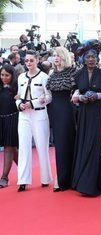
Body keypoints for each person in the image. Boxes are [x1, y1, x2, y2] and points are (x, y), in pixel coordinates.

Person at [71, 39, 101, 196]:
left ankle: (99, 184)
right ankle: (82, 182)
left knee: (97, 145)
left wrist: (99, 95)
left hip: (100, 115)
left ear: (97, 58)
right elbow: (74, 92)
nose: (90, 59)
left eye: (93, 57)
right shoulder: (77, 75)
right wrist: (78, 97)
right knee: (84, 144)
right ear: (83, 59)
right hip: (84, 115)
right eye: (88, 57)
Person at [16, 50, 53, 192]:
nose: (29, 63)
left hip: (39, 115)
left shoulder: (44, 77)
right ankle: (23, 181)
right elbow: (18, 95)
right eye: (26, 61)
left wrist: (35, 103)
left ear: (37, 60)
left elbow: (49, 97)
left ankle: (45, 178)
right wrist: (19, 104)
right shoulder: (20, 77)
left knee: (42, 147)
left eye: (31, 60)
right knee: (23, 146)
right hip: (24, 115)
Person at [46, 46, 77, 192]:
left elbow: (78, 88)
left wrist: (76, 94)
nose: (55, 58)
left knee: (67, 144)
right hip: (54, 111)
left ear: (64, 56)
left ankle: (65, 179)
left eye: (58, 55)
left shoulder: (72, 72)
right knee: (59, 145)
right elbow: (49, 94)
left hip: (67, 110)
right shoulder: (52, 73)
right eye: (53, 55)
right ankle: (62, 177)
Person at [0, 64, 19, 188]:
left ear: (12, 76)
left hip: (13, 119)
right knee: (12, 149)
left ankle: (4, 177)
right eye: (2, 75)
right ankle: (24, 170)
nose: (4, 77)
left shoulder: (16, 88)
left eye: (7, 75)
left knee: (8, 147)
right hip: (1, 120)